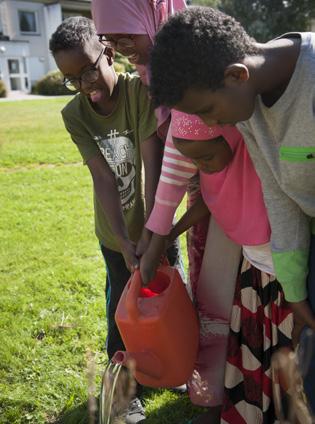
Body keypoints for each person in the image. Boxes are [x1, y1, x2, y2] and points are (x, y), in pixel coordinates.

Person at [148, 6, 315, 411]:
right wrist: (295, 292)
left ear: (236, 75)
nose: (210, 122)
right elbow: (280, 197)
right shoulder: (248, 111)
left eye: (207, 111)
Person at [140, 111, 293, 423]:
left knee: (285, 364)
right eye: (196, 162)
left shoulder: (255, 161)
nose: (203, 167)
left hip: (284, 279)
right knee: (256, 354)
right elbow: (208, 200)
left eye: (207, 157)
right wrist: (170, 232)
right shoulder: (213, 164)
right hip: (253, 272)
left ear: (232, 137)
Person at [49, 16, 165, 423]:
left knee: (168, 295)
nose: (84, 84)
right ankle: (121, 392)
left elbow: (154, 163)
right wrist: (122, 238)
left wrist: (153, 233)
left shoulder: (140, 91)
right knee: (121, 307)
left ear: (109, 54)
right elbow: (102, 177)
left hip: (157, 224)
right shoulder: (74, 114)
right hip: (113, 235)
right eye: (72, 79)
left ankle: (167, 368)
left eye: (88, 70)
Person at [91, 0, 209, 296]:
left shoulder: (195, 66)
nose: (119, 48)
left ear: (154, 16)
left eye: (127, 36)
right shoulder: (150, 73)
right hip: (199, 207)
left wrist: (157, 236)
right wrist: (156, 233)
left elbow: (181, 158)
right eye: (109, 38)